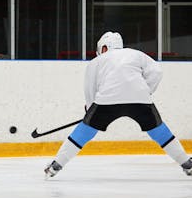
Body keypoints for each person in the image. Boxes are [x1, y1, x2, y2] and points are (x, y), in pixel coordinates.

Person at [44, 31, 192, 178]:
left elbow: (90, 88)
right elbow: (157, 71)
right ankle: (187, 164)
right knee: (159, 131)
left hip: (106, 101)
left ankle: (56, 165)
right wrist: (146, 90)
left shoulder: (97, 62)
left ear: (104, 48)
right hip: (140, 98)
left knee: (84, 132)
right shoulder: (136, 54)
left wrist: (90, 110)